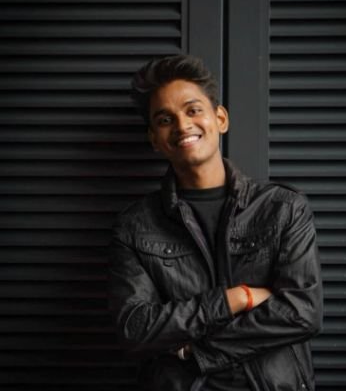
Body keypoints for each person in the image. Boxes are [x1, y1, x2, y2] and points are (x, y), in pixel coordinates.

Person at [108, 54, 323, 391]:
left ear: (220, 118)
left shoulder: (282, 208)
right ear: (154, 138)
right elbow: (134, 328)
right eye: (165, 119)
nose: (182, 125)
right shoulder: (135, 226)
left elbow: (302, 312)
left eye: (193, 110)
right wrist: (236, 299)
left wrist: (198, 352)